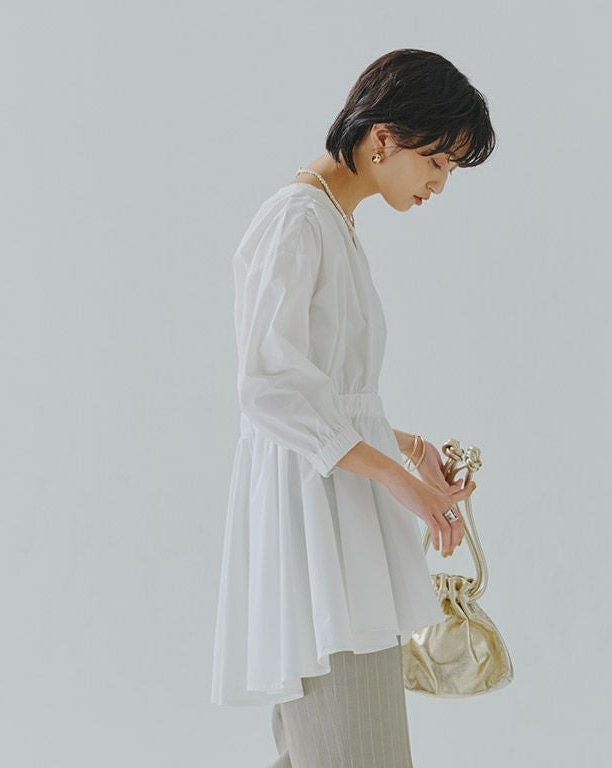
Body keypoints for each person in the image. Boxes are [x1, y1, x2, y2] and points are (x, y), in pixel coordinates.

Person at [210, 47, 496, 767]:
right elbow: (268, 387)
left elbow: (318, 395)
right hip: (320, 543)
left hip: (332, 535)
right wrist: (400, 481)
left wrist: (407, 446)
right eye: (438, 162)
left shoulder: (330, 221)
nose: (440, 183)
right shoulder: (299, 220)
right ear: (384, 139)